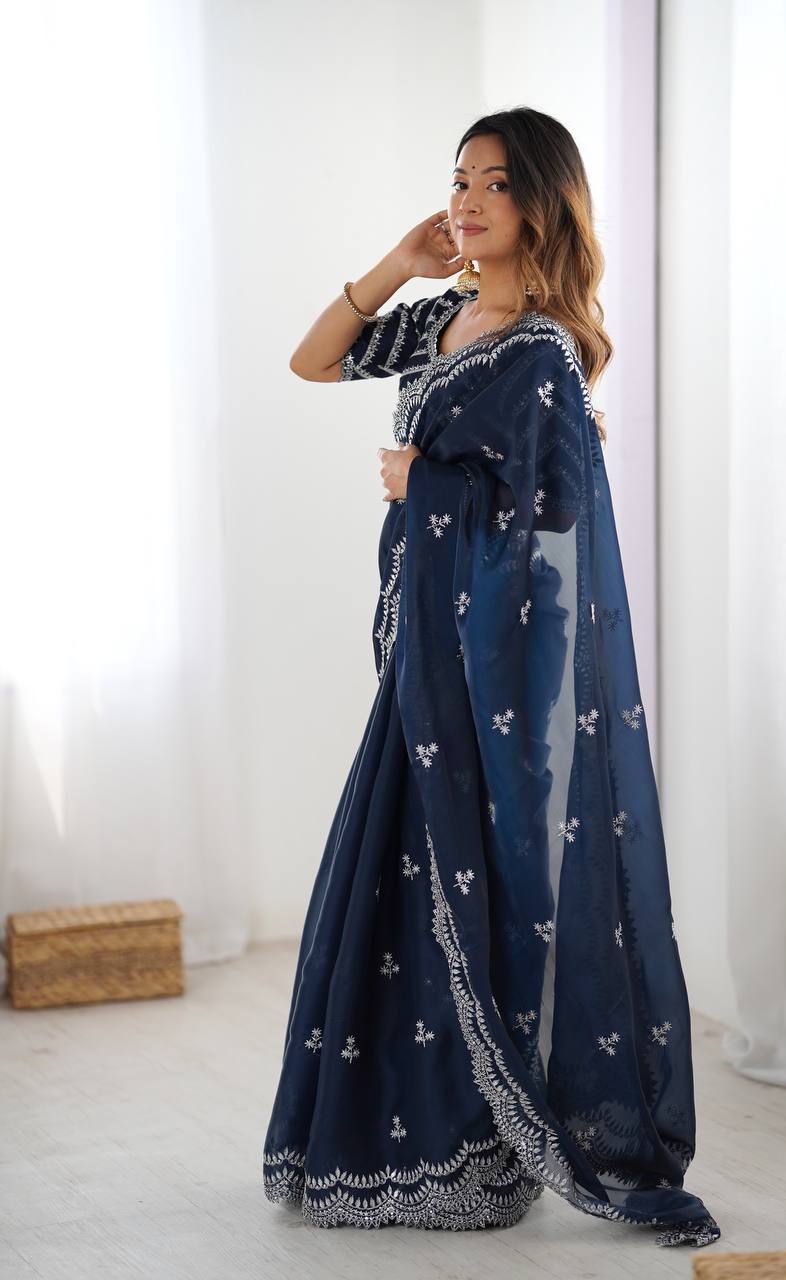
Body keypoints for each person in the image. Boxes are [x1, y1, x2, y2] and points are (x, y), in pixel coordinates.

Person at [262, 107, 721, 1249]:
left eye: (495, 183)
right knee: (400, 868)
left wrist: (424, 478)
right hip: (427, 636)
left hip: (501, 648)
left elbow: (558, 510)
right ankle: (408, 1135)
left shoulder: (544, 351)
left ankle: (481, 1139)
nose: (467, 201)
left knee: (484, 871)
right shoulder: (441, 320)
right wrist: (396, 265)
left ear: (541, 203)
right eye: (458, 178)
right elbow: (312, 359)